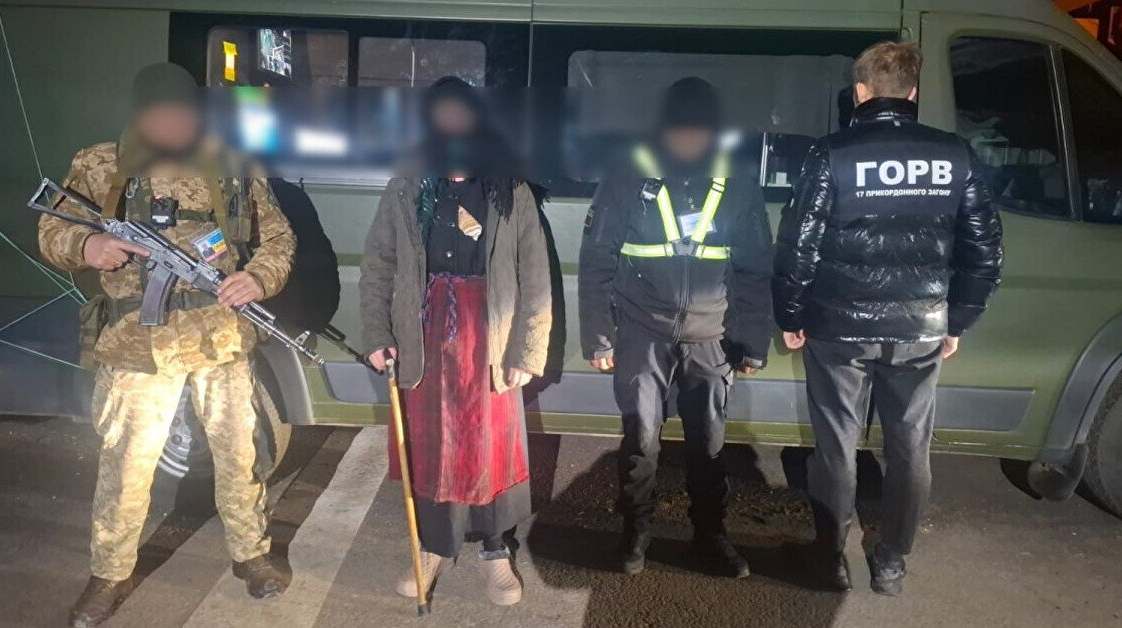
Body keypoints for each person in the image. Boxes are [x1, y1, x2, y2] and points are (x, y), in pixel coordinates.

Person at [37, 63, 297, 627]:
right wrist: (87, 246)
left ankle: (252, 556)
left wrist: (258, 278)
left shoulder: (230, 164)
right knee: (127, 464)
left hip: (219, 338)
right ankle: (109, 574)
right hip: (137, 345)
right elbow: (52, 229)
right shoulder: (101, 165)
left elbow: (278, 237)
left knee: (239, 455)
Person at [773, 42, 1003, 595]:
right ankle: (893, 562)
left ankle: (830, 557)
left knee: (836, 446)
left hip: (838, 329)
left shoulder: (832, 153)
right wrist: (955, 321)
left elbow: (799, 245)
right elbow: (986, 252)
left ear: (860, 92)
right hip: (919, 328)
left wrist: (791, 313)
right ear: (913, 93)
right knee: (909, 448)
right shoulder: (954, 155)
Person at [358, 77, 552, 606]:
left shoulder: (510, 191)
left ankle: (495, 549)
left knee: (489, 444)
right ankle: (433, 547)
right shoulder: (406, 188)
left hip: (490, 337)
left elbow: (535, 277)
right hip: (423, 335)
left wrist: (526, 351)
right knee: (432, 444)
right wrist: (377, 333)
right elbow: (378, 265)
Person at [579, 77, 774, 576]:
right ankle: (635, 531)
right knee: (641, 441)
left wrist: (753, 341)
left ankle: (710, 535)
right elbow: (597, 259)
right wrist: (598, 336)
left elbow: (754, 268)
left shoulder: (736, 183)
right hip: (642, 332)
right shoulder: (629, 176)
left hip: (712, 338)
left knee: (708, 447)